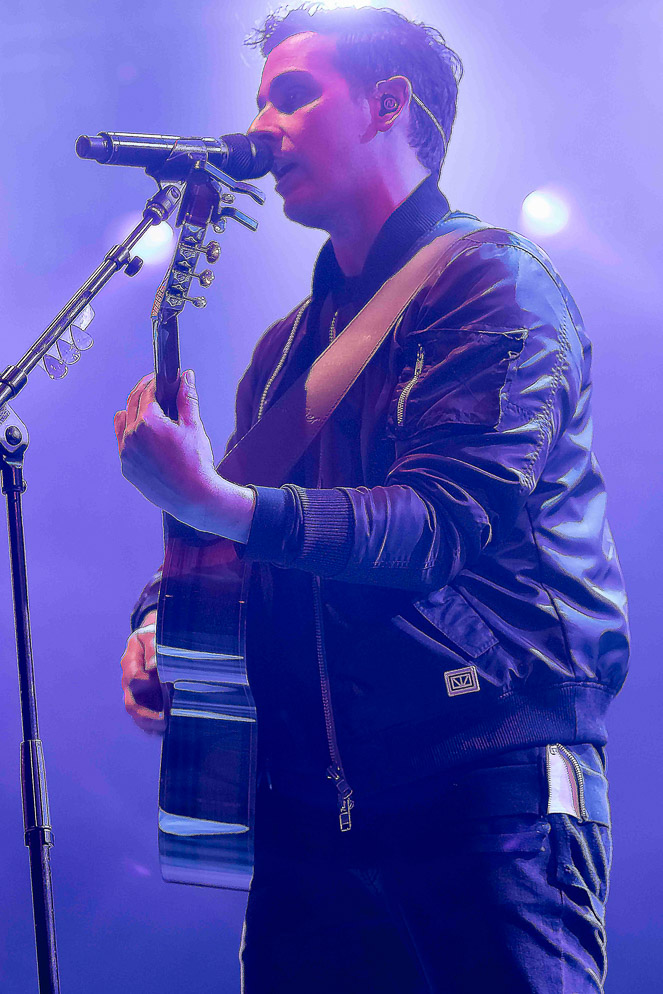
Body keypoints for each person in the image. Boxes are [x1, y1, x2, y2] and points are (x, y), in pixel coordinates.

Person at [116, 6, 629, 992]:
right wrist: (158, 625)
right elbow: (247, 538)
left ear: (387, 103)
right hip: (312, 827)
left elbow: (437, 523)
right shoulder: (284, 352)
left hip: (488, 796)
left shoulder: (495, 288)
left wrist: (220, 505)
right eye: (259, 99)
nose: (261, 126)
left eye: (293, 94)